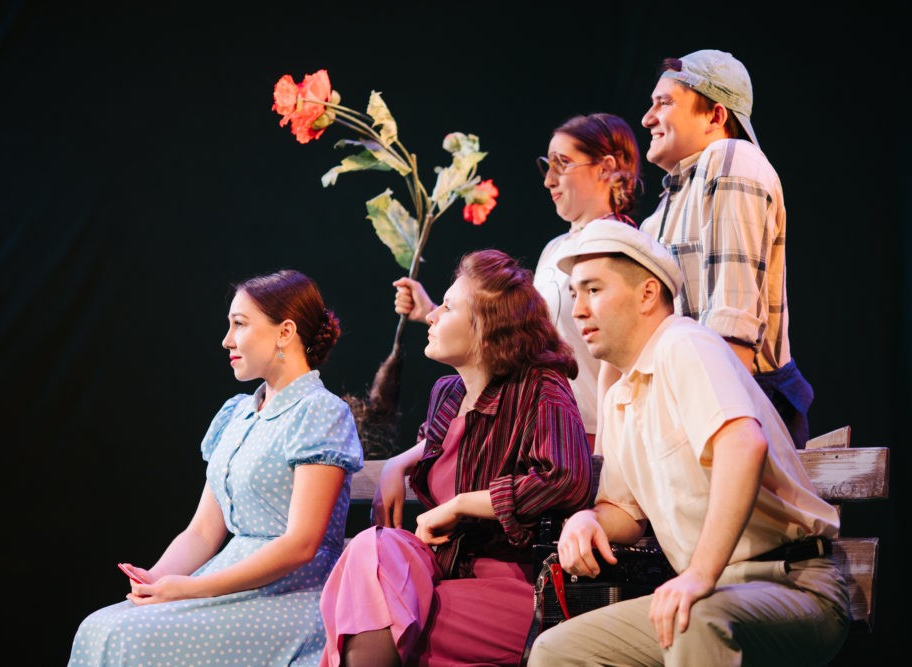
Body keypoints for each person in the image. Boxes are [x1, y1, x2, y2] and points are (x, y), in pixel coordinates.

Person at [526, 221, 850, 666]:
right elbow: (625, 511)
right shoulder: (621, 395)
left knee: (692, 619)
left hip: (792, 584)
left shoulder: (685, 344)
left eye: (594, 290)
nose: (578, 311)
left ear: (647, 294)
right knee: (557, 651)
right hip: (711, 593)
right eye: (574, 294)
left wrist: (699, 574)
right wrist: (589, 519)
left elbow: (743, 446)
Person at [68, 270, 364, 667]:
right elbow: (203, 531)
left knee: (125, 637)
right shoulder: (238, 413)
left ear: (285, 332)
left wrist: (191, 588)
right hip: (226, 581)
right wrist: (157, 578)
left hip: (289, 595)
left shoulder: (319, 412)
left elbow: (300, 544)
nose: (227, 340)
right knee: (98, 627)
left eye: (239, 324)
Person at [320, 249, 595, 666]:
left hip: (511, 584)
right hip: (441, 573)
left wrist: (462, 504)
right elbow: (441, 442)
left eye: (447, 308)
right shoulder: (448, 394)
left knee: (381, 614)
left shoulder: (541, 388)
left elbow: (564, 479)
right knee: (374, 548)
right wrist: (398, 463)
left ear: (488, 327)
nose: (431, 316)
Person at [393, 113, 641, 451]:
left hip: (594, 433)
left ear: (605, 168)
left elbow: (620, 357)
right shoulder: (555, 248)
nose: (549, 180)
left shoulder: (622, 247)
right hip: (544, 425)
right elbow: (524, 338)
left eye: (562, 164)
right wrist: (435, 312)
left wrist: (604, 449)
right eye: (547, 166)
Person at [638, 48, 813, 448]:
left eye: (664, 103)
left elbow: (732, 328)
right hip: (689, 399)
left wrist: (719, 434)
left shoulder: (732, 159)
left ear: (716, 116)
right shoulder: (662, 210)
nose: (647, 118)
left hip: (737, 400)